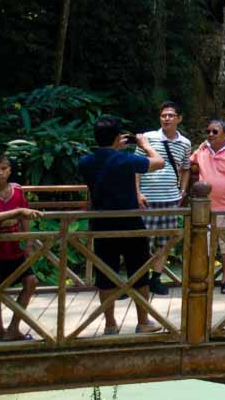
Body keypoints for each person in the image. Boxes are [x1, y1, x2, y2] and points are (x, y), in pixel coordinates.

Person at [80, 115, 166, 335]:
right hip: (130, 223)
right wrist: (145, 145)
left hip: (101, 224)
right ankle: (143, 321)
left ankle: (110, 324)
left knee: (105, 274)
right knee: (138, 271)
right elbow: (159, 162)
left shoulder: (85, 161)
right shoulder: (126, 160)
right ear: (119, 137)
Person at [0, 153, 43, 341]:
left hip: (16, 247)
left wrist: (29, 242)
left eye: (4, 168)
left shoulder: (17, 190)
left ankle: (14, 328)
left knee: (31, 282)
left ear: (10, 170)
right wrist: (17, 212)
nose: (0, 173)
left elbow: (25, 217)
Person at [135, 101, 192, 296]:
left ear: (179, 119)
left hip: (170, 199)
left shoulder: (185, 143)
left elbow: (185, 168)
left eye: (170, 115)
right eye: (163, 115)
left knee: (164, 241)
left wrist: (182, 191)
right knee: (142, 242)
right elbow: (137, 166)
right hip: (148, 198)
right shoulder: (148, 138)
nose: (166, 118)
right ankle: (137, 279)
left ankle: (156, 279)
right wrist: (137, 192)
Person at [190, 119, 225, 294]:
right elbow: (190, 165)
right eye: (208, 131)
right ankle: (206, 279)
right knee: (203, 246)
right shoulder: (202, 150)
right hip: (204, 210)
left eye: (215, 131)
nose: (210, 134)